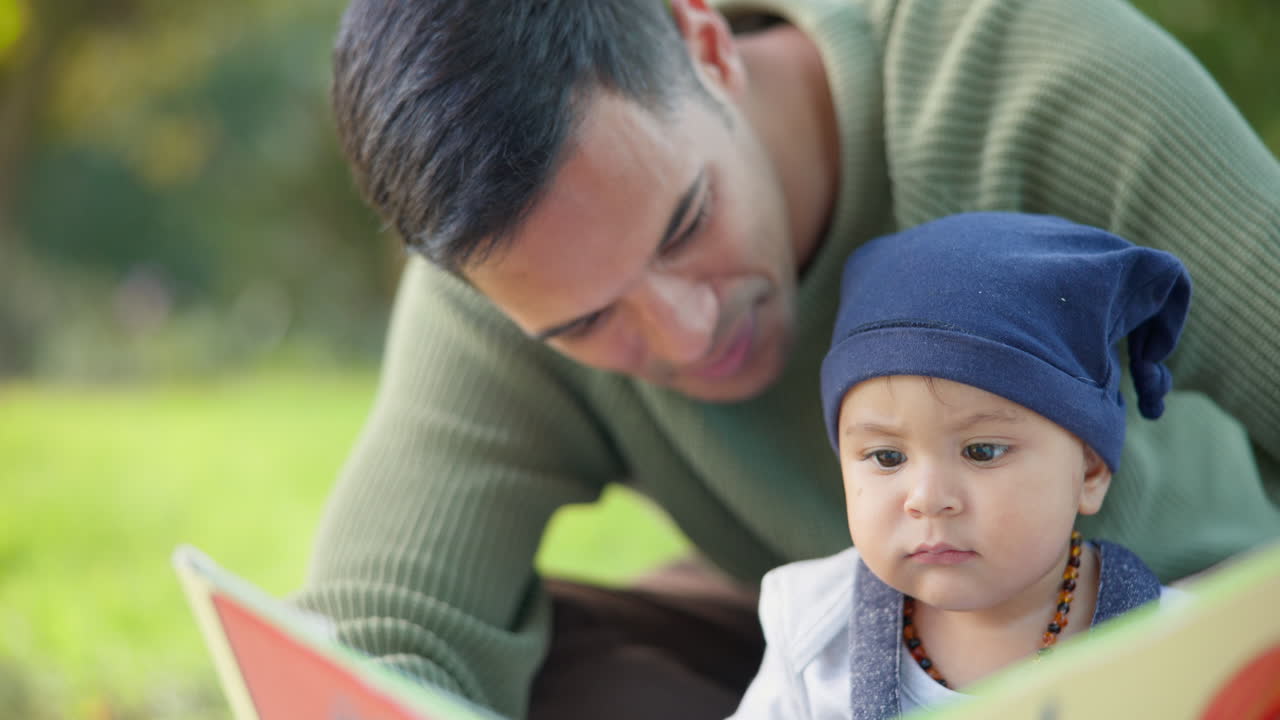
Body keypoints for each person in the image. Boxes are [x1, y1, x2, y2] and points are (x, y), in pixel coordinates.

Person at [296, 0, 1280, 717]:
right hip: (845, 663)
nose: (686, 336)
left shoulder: (1036, 77)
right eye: (587, 323)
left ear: (706, 42)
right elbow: (380, 639)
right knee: (542, 670)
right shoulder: (505, 286)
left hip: (1171, 635)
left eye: (684, 224)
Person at [728, 211, 1191, 719]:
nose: (927, 498)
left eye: (982, 451)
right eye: (887, 457)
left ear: (1089, 472)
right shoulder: (818, 632)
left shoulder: (1175, 646)